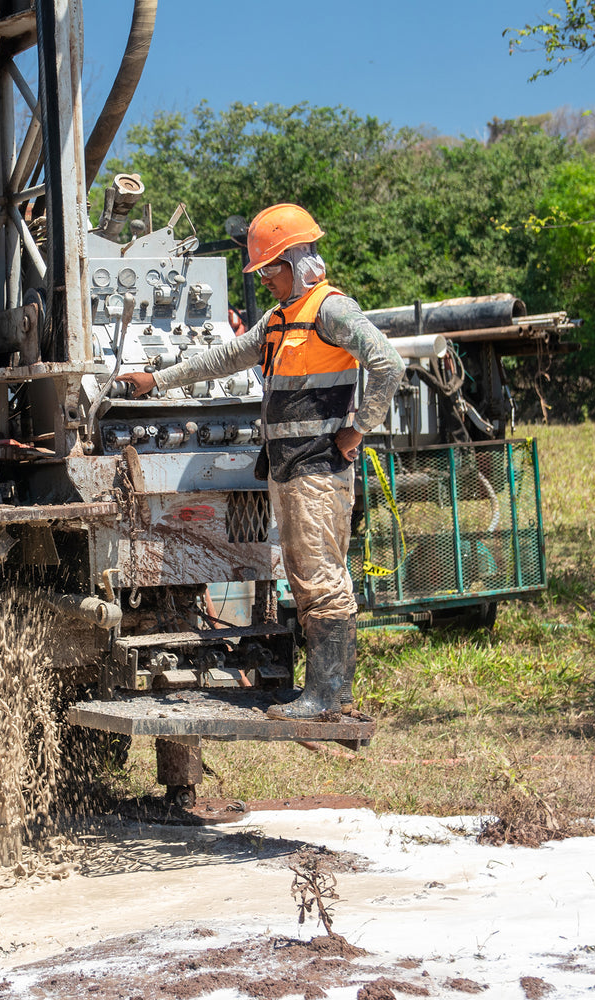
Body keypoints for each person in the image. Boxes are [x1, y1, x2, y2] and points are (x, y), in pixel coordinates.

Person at [115, 204, 404, 722]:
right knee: (304, 575)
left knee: (321, 579)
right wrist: (156, 381)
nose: (265, 279)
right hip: (291, 470)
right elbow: (223, 359)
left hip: (318, 469)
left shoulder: (330, 311)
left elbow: (387, 361)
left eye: (270, 268)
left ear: (296, 260)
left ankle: (328, 696)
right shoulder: (278, 321)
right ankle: (326, 694)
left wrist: (357, 429)